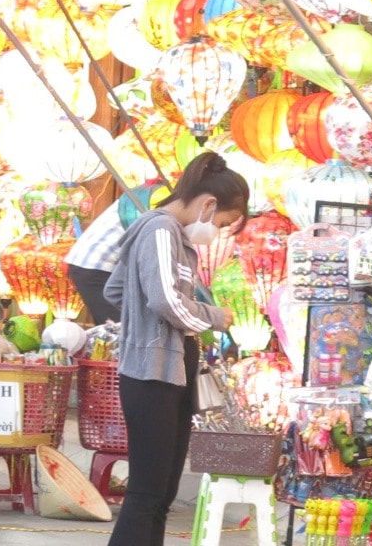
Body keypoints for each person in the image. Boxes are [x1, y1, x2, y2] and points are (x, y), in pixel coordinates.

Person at [104, 152, 247, 546]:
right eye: (220, 223)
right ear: (208, 205)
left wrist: (143, 319)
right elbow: (167, 302)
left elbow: (116, 289)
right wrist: (214, 316)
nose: (215, 231)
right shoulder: (161, 231)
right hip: (153, 372)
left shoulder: (164, 233)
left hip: (167, 368)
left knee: (161, 492)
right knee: (148, 493)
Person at [66, 203, 127, 325]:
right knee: (118, 330)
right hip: (96, 266)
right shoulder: (155, 198)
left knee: (116, 328)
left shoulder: (145, 194)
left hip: (89, 262)